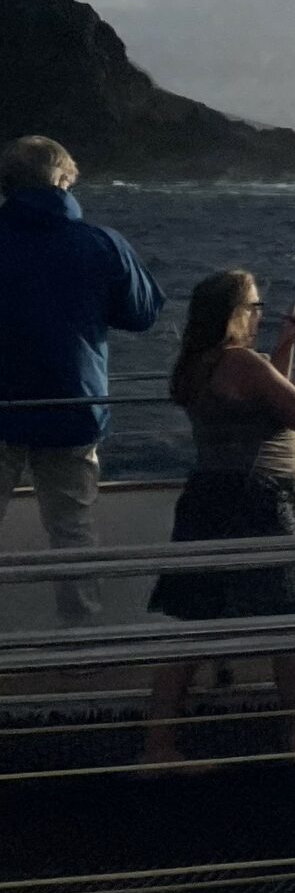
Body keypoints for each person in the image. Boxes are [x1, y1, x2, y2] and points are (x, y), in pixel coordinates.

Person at [143, 269, 295, 762]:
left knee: (191, 623)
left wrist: (285, 346)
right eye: (256, 307)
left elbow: (261, 396)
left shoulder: (197, 362)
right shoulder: (242, 360)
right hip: (257, 500)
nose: (260, 315)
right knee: (288, 617)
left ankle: (158, 748)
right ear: (235, 314)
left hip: (207, 497)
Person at [0, 135, 164, 624]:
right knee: (71, 532)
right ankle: (80, 640)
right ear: (64, 179)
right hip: (72, 407)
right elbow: (142, 313)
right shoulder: (99, 243)